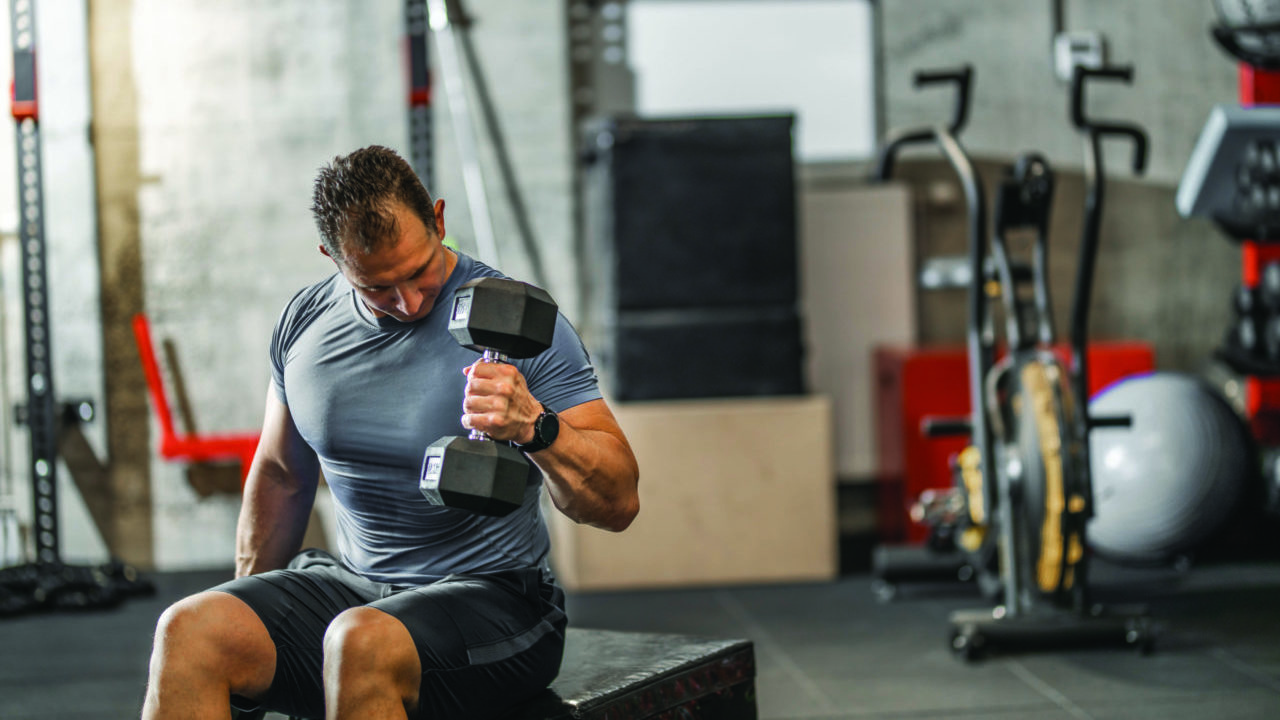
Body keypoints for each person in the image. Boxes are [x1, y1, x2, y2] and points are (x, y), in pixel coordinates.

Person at [140, 145, 640, 720]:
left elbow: (619, 501)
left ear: (440, 220)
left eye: (420, 270)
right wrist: (250, 614)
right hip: (352, 589)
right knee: (192, 629)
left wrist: (537, 428)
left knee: (361, 643)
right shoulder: (304, 323)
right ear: (332, 256)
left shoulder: (521, 321)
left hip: (497, 601)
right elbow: (280, 475)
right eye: (378, 287)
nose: (408, 302)